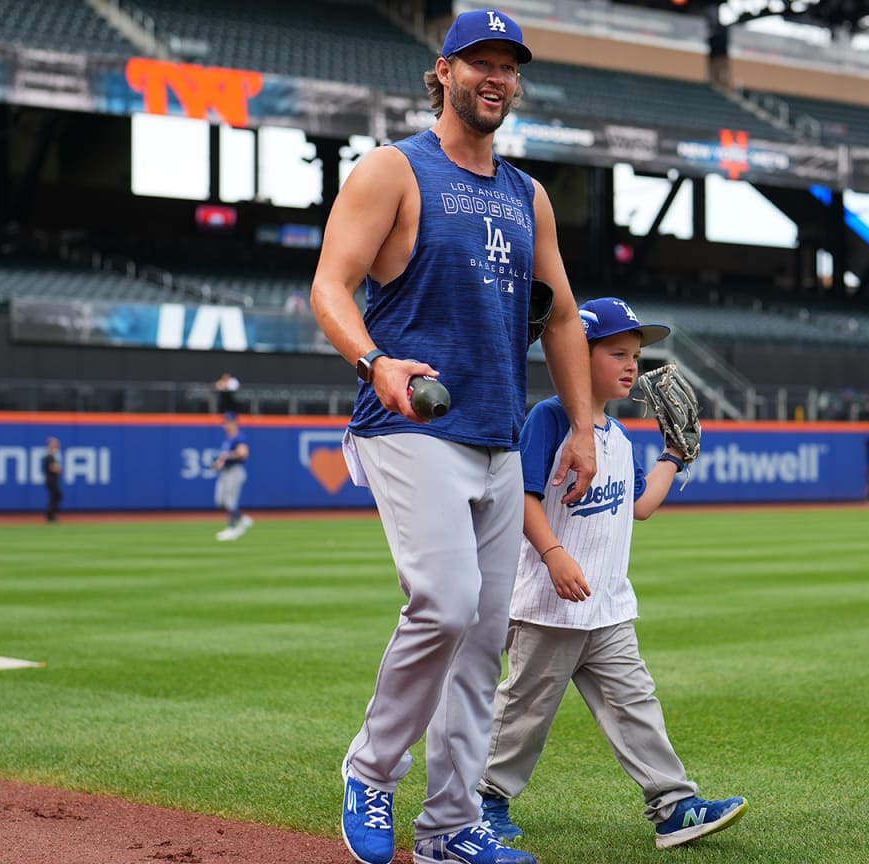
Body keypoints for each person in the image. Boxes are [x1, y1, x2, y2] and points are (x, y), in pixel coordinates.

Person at [309, 9, 597, 864]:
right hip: (410, 423)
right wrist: (374, 364)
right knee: (443, 601)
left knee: (482, 639)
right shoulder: (393, 170)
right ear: (443, 72)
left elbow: (565, 315)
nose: (496, 76)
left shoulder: (527, 193)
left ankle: (448, 827)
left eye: (509, 64)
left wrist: (582, 428)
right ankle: (370, 769)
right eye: (480, 62)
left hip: (499, 434)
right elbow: (329, 286)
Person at [475, 297, 747, 851]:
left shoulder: (619, 439)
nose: (632, 366)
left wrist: (673, 455)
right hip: (549, 607)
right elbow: (521, 499)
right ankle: (483, 800)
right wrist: (552, 553)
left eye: (636, 355)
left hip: (608, 607)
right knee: (525, 713)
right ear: (577, 354)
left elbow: (640, 507)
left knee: (635, 707)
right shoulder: (550, 419)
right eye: (617, 352)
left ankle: (674, 806)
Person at [211, 413, 253, 541]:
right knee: (220, 501)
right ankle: (242, 518)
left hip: (235, 471)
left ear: (234, 423)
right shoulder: (227, 439)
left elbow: (243, 453)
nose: (225, 425)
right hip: (226, 471)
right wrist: (218, 463)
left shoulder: (239, 437)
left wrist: (227, 456)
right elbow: (224, 457)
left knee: (230, 500)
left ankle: (232, 528)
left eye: (227, 422)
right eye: (225, 422)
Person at [42, 437, 63, 522]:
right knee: (56, 496)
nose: (57, 445)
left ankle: (50, 515)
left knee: (55, 497)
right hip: (51, 480)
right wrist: (59, 470)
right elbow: (52, 468)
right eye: (55, 443)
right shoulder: (49, 456)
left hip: (51, 480)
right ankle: (50, 515)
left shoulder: (51, 455)